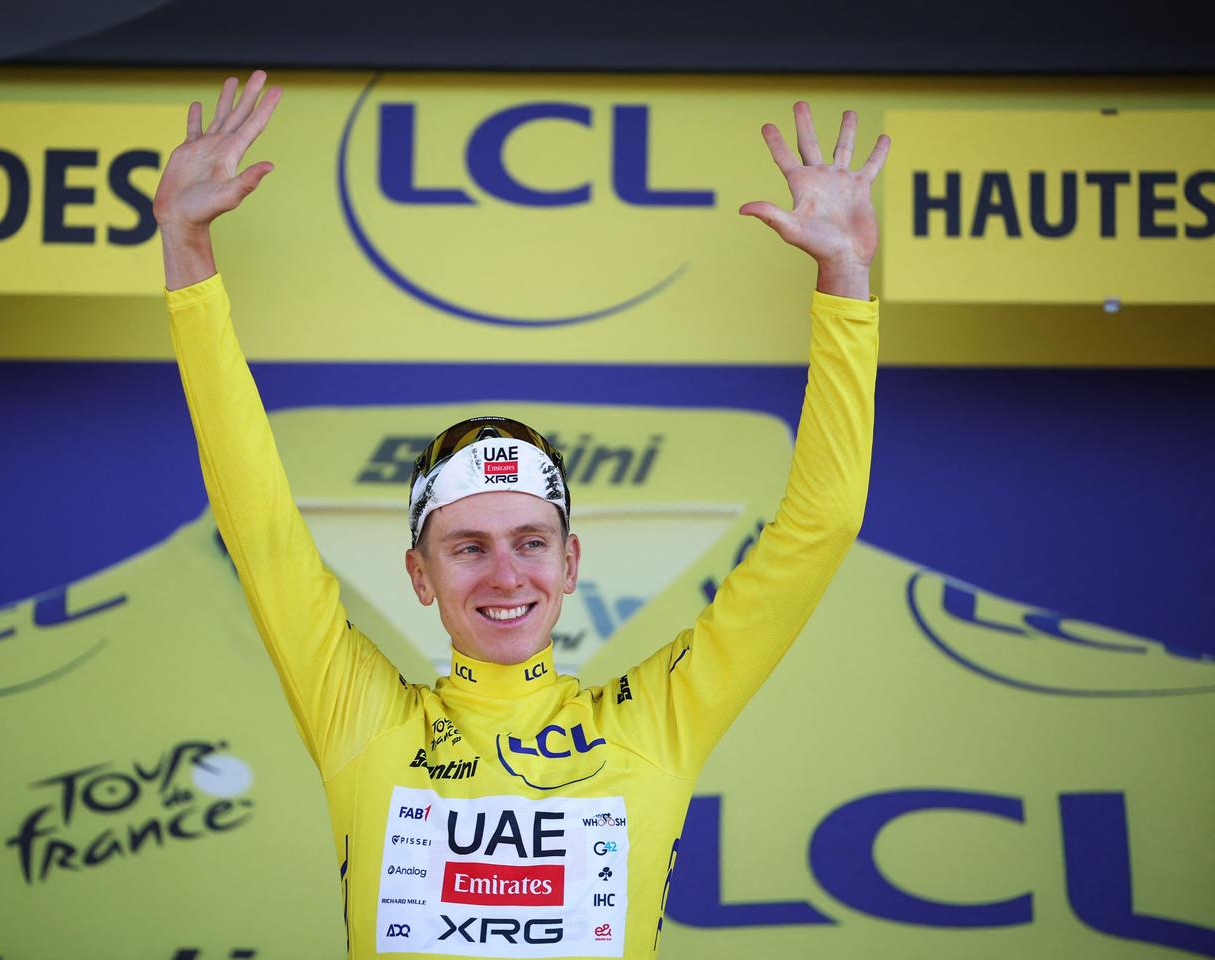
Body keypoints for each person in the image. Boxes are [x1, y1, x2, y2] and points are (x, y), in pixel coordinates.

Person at [156, 70, 886, 959]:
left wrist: (847, 277)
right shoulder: (366, 723)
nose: (506, 575)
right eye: (467, 547)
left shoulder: (655, 721)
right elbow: (259, 522)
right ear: (418, 575)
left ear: (570, 563)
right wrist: (185, 250)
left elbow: (823, 527)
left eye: (530, 542)